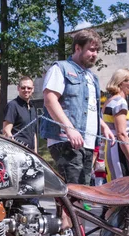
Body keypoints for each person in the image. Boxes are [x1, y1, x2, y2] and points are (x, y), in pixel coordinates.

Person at [40, 29, 114, 186]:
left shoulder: (92, 77)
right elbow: (50, 100)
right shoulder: (60, 68)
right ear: (77, 48)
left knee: (81, 191)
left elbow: (90, 108)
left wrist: (104, 127)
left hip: (87, 143)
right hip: (66, 140)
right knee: (75, 193)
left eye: (97, 51)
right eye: (91, 49)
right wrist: (69, 128)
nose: (95, 54)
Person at [102, 68, 129, 181]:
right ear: (121, 83)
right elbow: (121, 134)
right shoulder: (120, 102)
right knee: (122, 189)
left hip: (111, 148)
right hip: (118, 151)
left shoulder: (109, 101)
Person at [3, 76, 38, 151]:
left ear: (33, 89)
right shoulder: (13, 105)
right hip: (17, 151)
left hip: (30, 152)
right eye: (23, 88)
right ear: (18, 88)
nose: (26, 90)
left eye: (29, 88)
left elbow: (34, 134)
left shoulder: (32, 107)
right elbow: (6, 131)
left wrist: (36, 154)